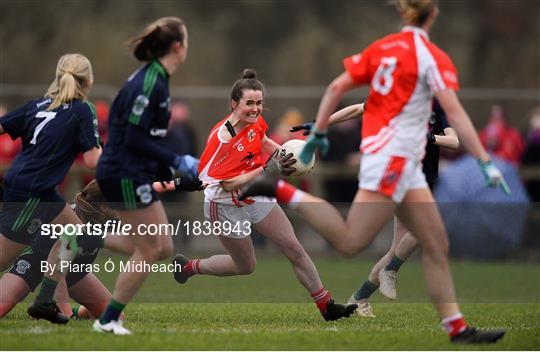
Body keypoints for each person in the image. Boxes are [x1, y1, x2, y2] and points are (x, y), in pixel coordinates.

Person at [241, 0, 508, 344]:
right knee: (351, 241)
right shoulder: (431, 56)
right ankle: (279, 189)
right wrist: (485, 162)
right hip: (393, 159)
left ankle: (456, 328)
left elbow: (337, 89)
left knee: (436, 241)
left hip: (403, 161)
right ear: (434, 14)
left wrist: (319, 130)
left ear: (402, 13)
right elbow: (455, 115)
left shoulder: (383, 50)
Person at [171, 69, 357, 322]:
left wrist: (287, 154)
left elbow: (263, 140)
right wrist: (268, 168)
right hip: (224, 204)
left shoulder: (255, 121)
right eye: (249, 103)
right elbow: (227, 185)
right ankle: (189, 267)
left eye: (259, 103)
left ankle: (326, 305)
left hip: (255, 193)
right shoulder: (222, 139)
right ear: (234, 104)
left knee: (294, 248)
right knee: (245, 266)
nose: (255, 109)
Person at [293, 100, 459, 316]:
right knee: (428, 232)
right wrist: (321, 123)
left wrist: (430, 137)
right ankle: (390, 271)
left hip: (423, 181)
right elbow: (356, 109)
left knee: (395, 250)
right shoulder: (395, 95)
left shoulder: (437, 104)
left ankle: (359, 297)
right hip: (398, 176)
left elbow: (454, 141)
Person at [90, 17, 197, 335]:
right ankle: (108, 319)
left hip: (132, 171)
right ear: (178, 46)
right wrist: (177, 160)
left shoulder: (158, 79)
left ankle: (84, 237)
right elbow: (135, 139)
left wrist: (172, 172)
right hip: (123, 172)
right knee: (150, 248)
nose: (187, 47)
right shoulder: (150, 82)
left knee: (162, 246)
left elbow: (148, 139)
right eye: (187, 41)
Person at [0, 53, 102, 322]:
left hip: (35, 190)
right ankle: (46, 300)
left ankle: (45, 301)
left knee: (76, 233)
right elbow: (92, 160)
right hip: (30, 193)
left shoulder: (37, 105)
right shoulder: (82, 108)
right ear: (88, 80)